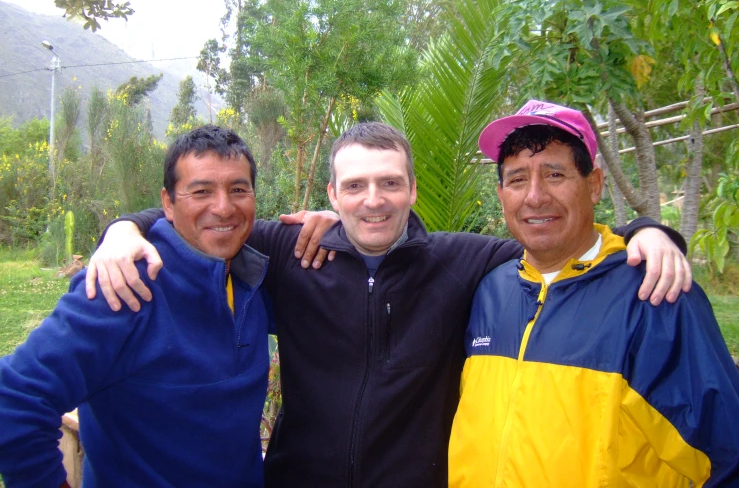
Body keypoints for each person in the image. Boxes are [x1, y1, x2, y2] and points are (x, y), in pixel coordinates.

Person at [88, 122, 692, 487]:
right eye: (354, 186)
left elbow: (557, 233)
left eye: (389, 183)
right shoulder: (292, 249)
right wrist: (121, 228)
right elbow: (198, 217)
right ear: (332, 193)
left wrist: (647, 230)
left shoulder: (464, 260)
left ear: (412, 189)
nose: (372, 201)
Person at [448, 100, 739, 487]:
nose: (534, 197)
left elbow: (727, 457)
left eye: (554, 174)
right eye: (517, 179)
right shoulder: (489, 291)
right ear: (501, 194)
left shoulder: (654, 297)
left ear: (594, 184)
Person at [0, 126, 275, 487]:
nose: (223, 207)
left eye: (238, 189)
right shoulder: (125, 285)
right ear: (167, 203)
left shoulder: (253, 277)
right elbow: (14, 400)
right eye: (201, 191)